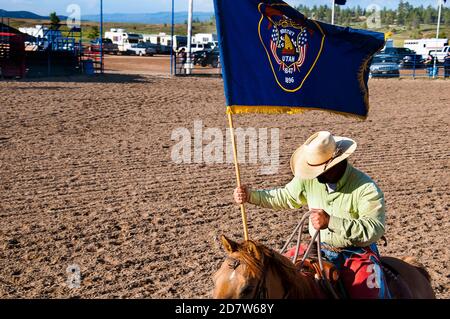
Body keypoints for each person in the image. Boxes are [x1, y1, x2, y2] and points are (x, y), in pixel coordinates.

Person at [234, 131, 390, 299]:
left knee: (368, 294)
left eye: (319, 170)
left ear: (336, 164)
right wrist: (250, 196)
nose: (314, 175)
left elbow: (375, 228)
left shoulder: (366, 188)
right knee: (281, 272)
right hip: (318, 247)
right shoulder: (310, 179)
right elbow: (285, 196)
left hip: (356, 252)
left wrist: (331, 221)